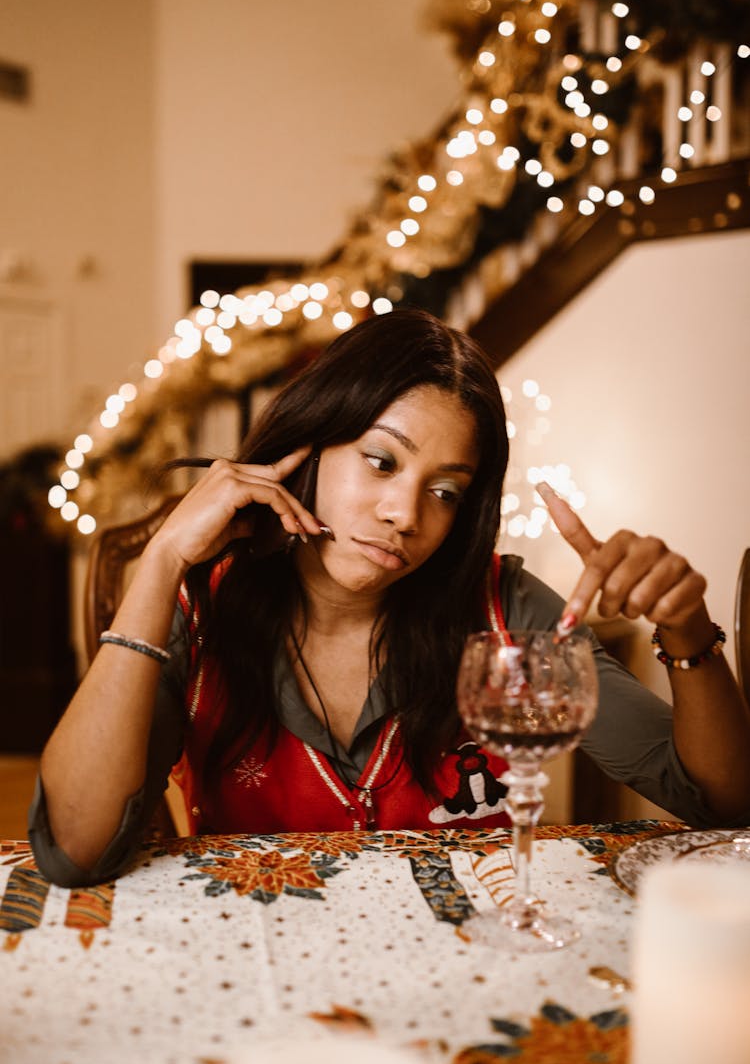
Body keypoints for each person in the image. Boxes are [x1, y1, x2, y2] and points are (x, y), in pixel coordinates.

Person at [29, 309, 750, 885]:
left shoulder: (506, 612)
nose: (405, 513)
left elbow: (723, 805)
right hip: (258, 984)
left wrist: (687, 632)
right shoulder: (201, 607)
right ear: (310, 445)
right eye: (381, 461)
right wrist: (159, 563)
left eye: (444, 491)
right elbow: (76, 850)